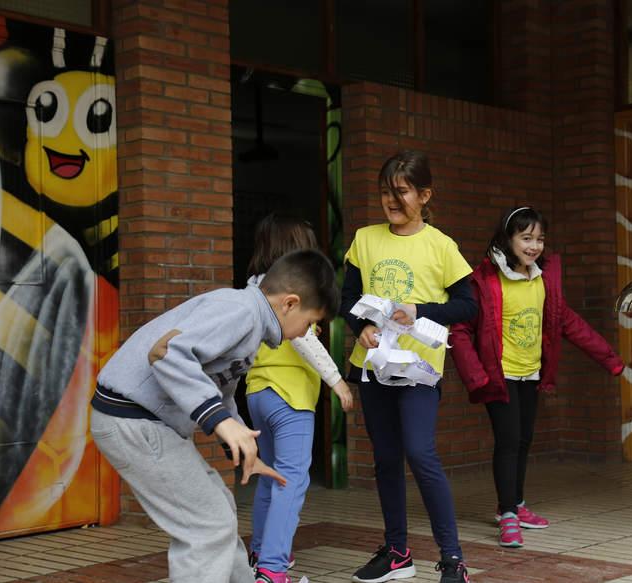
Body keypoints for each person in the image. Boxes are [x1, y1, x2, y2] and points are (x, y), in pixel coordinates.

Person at [90, 248, 339, 583]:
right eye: (310, 323)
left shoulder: (251, 325)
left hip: (144, 423)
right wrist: (220, 423)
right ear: (290, 303)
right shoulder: (240, 311)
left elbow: (219, 393)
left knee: (219, 511)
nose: (304, 334)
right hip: (134, 420)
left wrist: (239, 448)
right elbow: (165, 353)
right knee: (208, 527)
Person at [450, 206, 624, 548]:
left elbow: (568, 323)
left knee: (524, 438)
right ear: (507, 238)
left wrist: (610, 358)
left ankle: (515, 504)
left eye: (540, 239)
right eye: (526, 238)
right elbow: (459, 331)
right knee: (509, 439)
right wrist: (477, 377)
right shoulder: (483, 281)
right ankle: (509, 516)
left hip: (530, 374)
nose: (534, 246)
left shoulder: (543, 278)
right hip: (498, 377)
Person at [340, 151, 477, 583]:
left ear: (424, 194)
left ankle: (453, 559)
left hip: (419, 369)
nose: (391, 201)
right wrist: (360, 325)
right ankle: (397, 552)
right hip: (374, 365)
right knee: (384, 458)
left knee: (420, 452)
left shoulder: (441, 245)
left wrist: (421, 309)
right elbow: (346, 299)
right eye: (385, 192)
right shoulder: (365, 239)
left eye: (400, 192)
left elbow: (468, 305)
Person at [244, 215, 354, 583]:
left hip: (258, 393)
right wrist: (337, 381)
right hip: (290, 397)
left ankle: (261, 552)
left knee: (270, 474)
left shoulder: (255, 289)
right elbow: (305, 342)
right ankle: (273, 569)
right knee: (291, 479)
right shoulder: (290, 299)